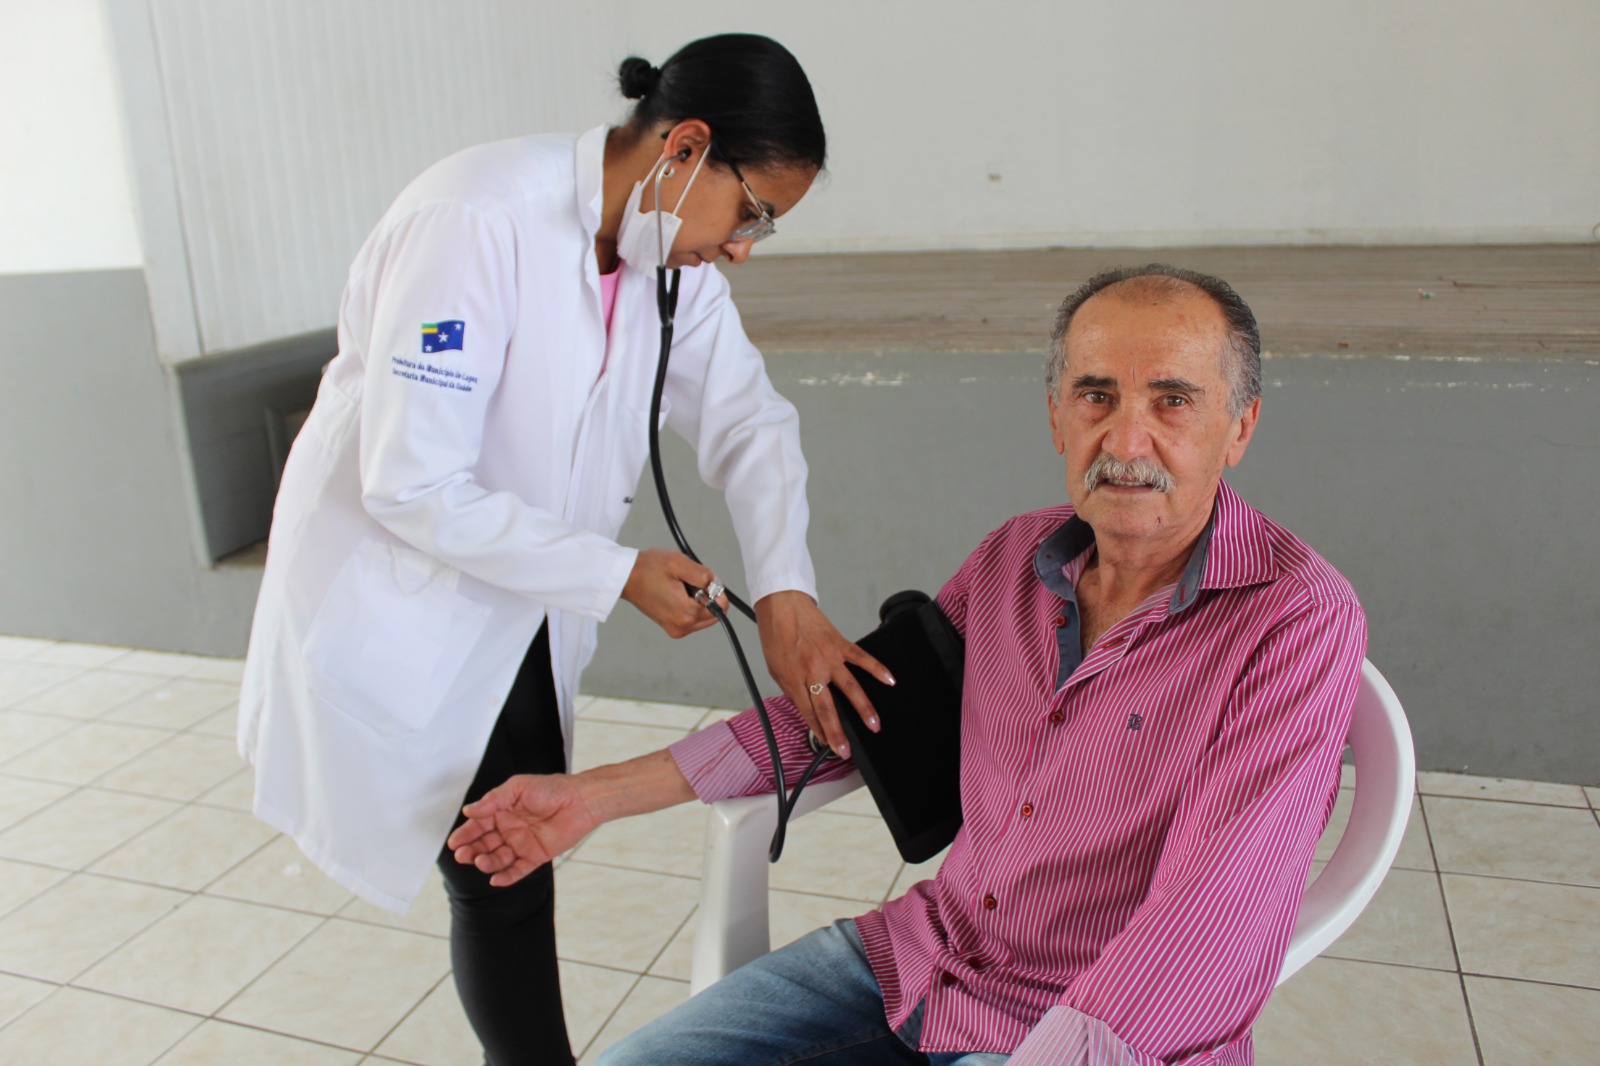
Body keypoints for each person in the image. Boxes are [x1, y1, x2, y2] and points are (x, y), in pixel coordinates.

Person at [448, 265, 1368, 1065]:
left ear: (1239, 428)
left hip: (1085, 1028)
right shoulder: (1015, 559)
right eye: (1096, 396)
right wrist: (594, 796)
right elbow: (853, 709)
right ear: (1056, 416)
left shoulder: (1296, 622)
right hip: (918, 962)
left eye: (1173, 401)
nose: (1127, 442)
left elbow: (1211, 923)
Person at [237, 33, 893, 1066]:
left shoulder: (666, 262)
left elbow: (750, 424)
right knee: (497, 868)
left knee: (511, 850)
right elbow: (409, 482)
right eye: (753, 213)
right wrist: (616, 572)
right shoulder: (474, 221)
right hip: (413, 599)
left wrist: (785, 593)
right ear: (685, 149)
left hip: (526, 604)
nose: (743, 249)